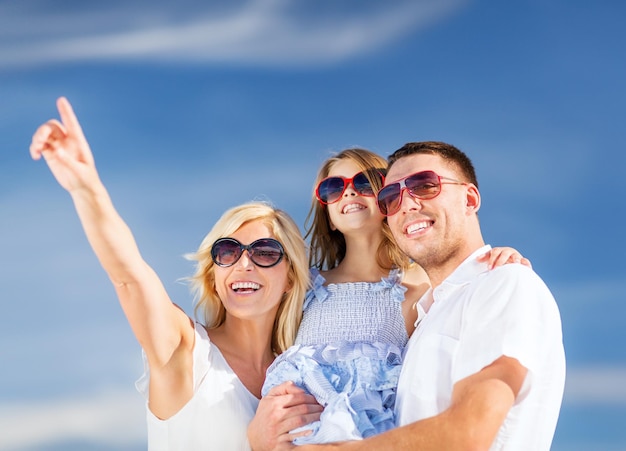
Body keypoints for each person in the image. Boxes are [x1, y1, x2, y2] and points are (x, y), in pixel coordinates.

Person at [29, 97, 319, 451]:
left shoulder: (304, 376)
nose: (244, 263)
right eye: (227, 252)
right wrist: (87, 189)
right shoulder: (186, 351)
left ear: (291, 278)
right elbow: (129, 277)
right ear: (214, 275)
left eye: (264, 253)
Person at [250, 148, 531, 448]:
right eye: (333, 189)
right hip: (300, 432)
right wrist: (256, 434)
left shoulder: (419, 286)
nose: (347, 193)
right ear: (329, 218)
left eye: (363, 183)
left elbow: (461, 290)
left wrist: (496, 258)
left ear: (389, 200)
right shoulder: (303, 287)